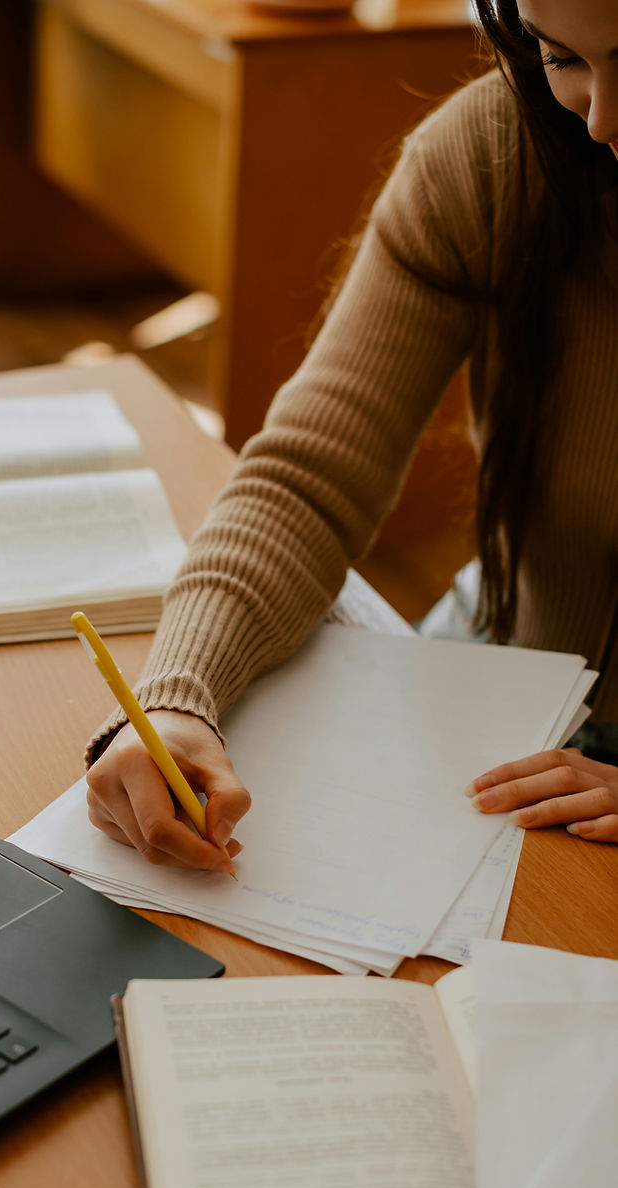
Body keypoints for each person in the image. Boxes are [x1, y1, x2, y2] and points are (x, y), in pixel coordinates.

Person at [85, 0, 618, 869]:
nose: (602, 121)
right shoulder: (492, 152)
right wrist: (177, 697)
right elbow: (307, 479)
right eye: (564, 60)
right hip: (509, 656)